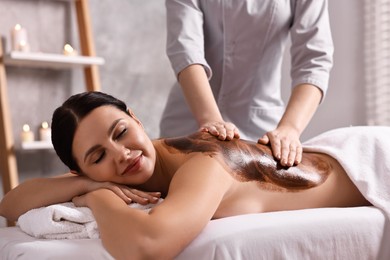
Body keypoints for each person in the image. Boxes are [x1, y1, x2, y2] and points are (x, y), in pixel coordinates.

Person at [0, 92, 373, 260]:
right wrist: (86, 184)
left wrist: (96, 197)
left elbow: (147, 246)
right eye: (98, 156)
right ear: (78, 169)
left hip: (368, 160)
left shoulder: (203, 160)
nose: (123, 154)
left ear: (135, 117)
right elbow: (10, 204)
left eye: (121, 132)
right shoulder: (105, 173)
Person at [160, 0, 334, 167]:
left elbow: (314, 61)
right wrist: (210, 121)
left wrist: (290, 129)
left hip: (261, 134)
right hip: (188, 121)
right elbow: (185, 49)